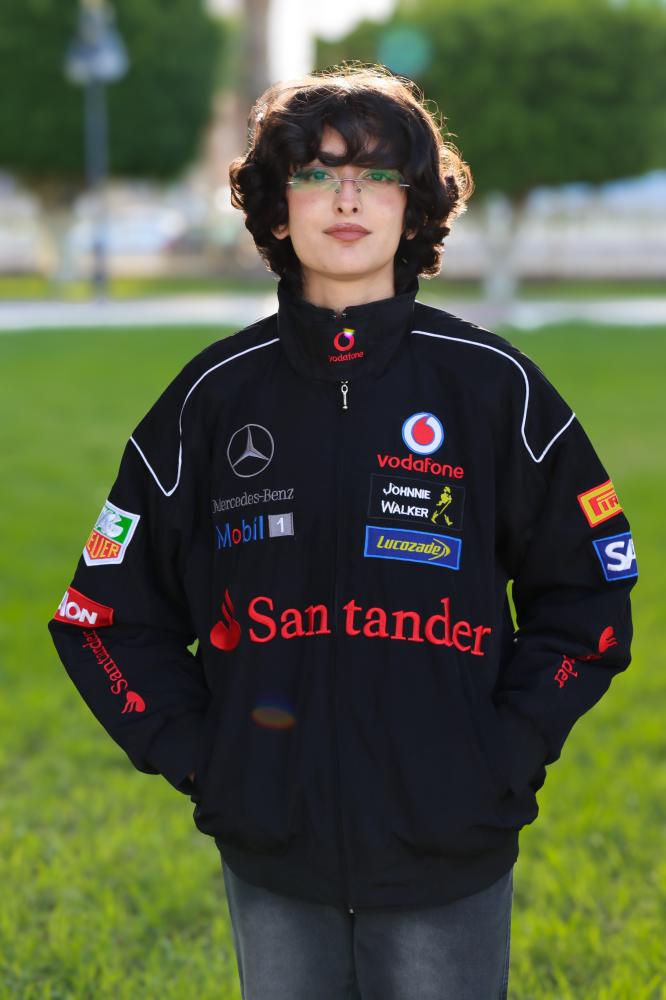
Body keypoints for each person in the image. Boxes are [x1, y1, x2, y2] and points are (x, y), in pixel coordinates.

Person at [48, 63, 637, 999]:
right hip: (273, 852)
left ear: (417, 208)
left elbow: (589, 598)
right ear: (278, 212)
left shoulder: (497, 389)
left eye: (377, 174)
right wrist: (208, 761)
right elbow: (101, 619)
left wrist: (503, 755)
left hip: (452, 843)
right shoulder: (210, 400)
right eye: (317, 174)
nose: (348, 197)